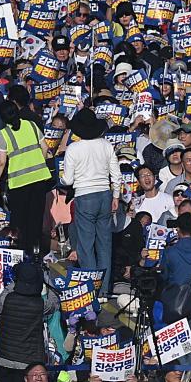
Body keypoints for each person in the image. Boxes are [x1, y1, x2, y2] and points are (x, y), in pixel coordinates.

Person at [61, 107, 122, 276]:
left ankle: (91, 285)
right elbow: (116, 175)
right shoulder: (106, 145)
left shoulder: (73, 148)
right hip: (105, 195)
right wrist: (116, 196)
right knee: (104, 245)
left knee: (86, 246)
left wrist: (61, 181)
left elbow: (68, 180)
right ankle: (103, 287)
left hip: (85, 196)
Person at [0, 86, 54, 255]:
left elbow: (1, 162)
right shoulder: (32, 125)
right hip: (39, 179)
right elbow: (45, 148)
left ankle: (23, 252)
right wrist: (38, 162)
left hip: (19, 183)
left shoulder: (4, 134)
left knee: (20, 220)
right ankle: (36, 253)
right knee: (36, 217)